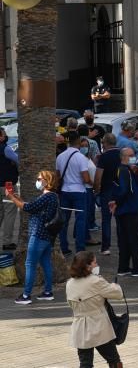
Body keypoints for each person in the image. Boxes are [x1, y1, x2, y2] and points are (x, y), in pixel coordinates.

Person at [5, 170, 58, 304]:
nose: (38, 181)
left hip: (38, 235)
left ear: (47, 181)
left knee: (30, 264)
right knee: (45, 263)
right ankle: (47, 292)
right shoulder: (52, 197)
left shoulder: (47, 197)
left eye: (40, 179)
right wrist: (19, 199)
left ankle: (26, 295)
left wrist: (12, 198)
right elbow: (32, 207)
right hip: (46, 236)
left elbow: (28, 208)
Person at [66, 251, 124, 367]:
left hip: (80, 327)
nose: (96, 266)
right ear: (87, 266)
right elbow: (118, 294)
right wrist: (113, 285)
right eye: (95, 263)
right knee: (114, 360)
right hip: (99, 326)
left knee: (85, 364)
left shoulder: (70, 283)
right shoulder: (96, 281)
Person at [109, 148, 138, 277]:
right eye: (131, 155)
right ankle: (137, 268)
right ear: (124, 157)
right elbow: (124, 190)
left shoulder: (121, 169)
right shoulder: (124, 171)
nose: (134, 157)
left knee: (124, 240)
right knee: (134, 239)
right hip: (130, 209)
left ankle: (123, 267)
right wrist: (116, 202)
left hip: (123, 210)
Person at [57, 131, 92, 256]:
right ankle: (80, 248)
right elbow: (86, 179)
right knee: (80, 220)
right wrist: (93, 182)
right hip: (79, 192)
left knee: (63, 221)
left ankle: (64, 247)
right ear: (78, 142)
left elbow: (58, 176)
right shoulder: (81, 158)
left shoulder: (60, 157)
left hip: (65, 191)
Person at [93, 134, 120, 256]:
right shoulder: (122, 154)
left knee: (106, 219)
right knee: (121, 218)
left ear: (107, 143)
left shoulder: (104, 157)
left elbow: (98, 176)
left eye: (103, 143)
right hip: (120, 189)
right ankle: (122, 244)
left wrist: (96, 189)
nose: (102, 145)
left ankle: (106, 247)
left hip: (107, 190)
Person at [0, 126, 19, 251]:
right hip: (8, 185)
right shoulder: (5, 149)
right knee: (10, 213)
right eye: (3, 134)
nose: (5, 136)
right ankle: (7, 242)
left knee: (1, 212)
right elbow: (19, 160)